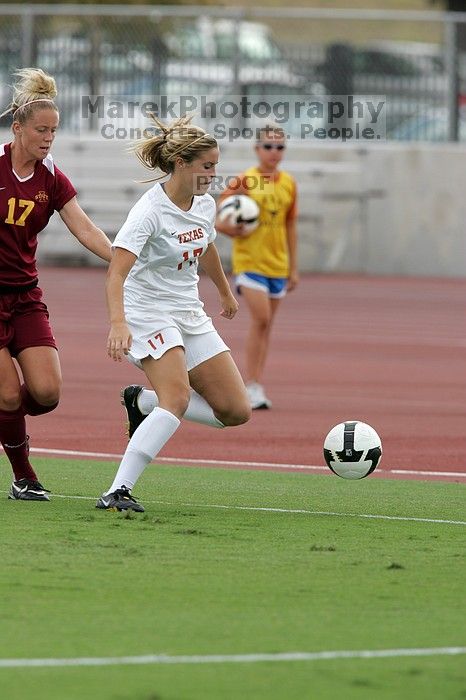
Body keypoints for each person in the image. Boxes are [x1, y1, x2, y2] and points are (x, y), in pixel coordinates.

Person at [97, 114, 251, 513]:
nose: (214, 174)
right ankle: (118, 490)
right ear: (181, 164)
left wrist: (223, 289)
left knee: (235, 411)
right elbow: (116, 272)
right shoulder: (149, 211)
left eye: (216, 165)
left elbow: (208, 244)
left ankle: (143, 404)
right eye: (207, 165)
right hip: (147, 311)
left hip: (188, 311)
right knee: (178, 398)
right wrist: (119, 323)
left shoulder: (204, 203)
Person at [0, 68, 112, 501]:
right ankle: (24, 475)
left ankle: (5, 415)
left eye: (54, 130)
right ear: (18, 128)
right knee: (8, 394)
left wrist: (126, 261)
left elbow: (84, 229)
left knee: (46, 394)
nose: (49, 137)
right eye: (41, 129)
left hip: (26, 297)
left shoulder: (51, 176)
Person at [216, 125, 299, 409]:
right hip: (250, 262)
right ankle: (249, 384)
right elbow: (218, 217)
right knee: (261, 319)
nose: (274, 152)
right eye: (268, 146)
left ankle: (256, 383)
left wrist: (293, 268)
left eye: (280, 147)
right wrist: (231, 230)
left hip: (278, 265)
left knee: (267, 326)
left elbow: (289, 224)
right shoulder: (248, 180)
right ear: (257, 149)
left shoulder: (288, 182)